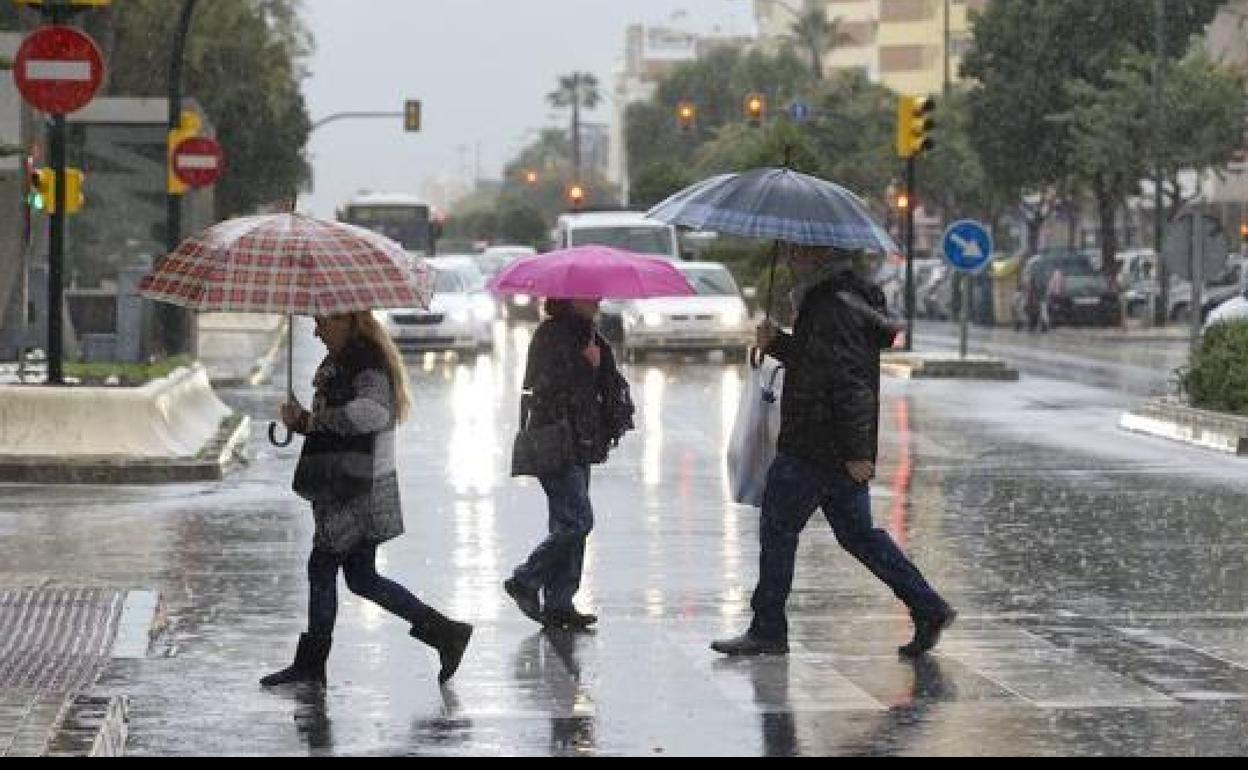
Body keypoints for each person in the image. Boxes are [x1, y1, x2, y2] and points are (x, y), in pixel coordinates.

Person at [712, 243, 955, 658]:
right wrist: (779, 344)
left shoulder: (830, 307)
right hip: (829, 445)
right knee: (858, 535)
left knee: (778, 527)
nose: (788, 259)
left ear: (818, 255)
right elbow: (817, 363)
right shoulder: (836, 301)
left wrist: (859, 453)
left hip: (816, 444)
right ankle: (927, 606)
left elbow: (848, 382)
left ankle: (768, 629)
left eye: (796, 252)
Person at [261, 311, 472, 688]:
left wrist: (314, 423)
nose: (316, 329)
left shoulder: (365, 364)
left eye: (323, 321)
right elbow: (341, 419)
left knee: (323, 566)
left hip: (357, 486)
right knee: (361, 577)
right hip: (348, 480)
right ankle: (445, 633)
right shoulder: (344, 362)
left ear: (348, 321)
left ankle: (312, 665)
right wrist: (303, 420)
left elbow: (371, 413)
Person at [503, 297, 632, 630]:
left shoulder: (589, 332)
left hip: (581, 441)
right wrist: (583, 363)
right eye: (590, 297)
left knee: (566, 523)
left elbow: (604, 382)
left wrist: (597, 363)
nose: (598, 301)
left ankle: (560, 603)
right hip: (554, 440)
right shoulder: (550, 335)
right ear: (571, 299)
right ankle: (525, 578)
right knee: (578, 521)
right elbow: (543, 387)